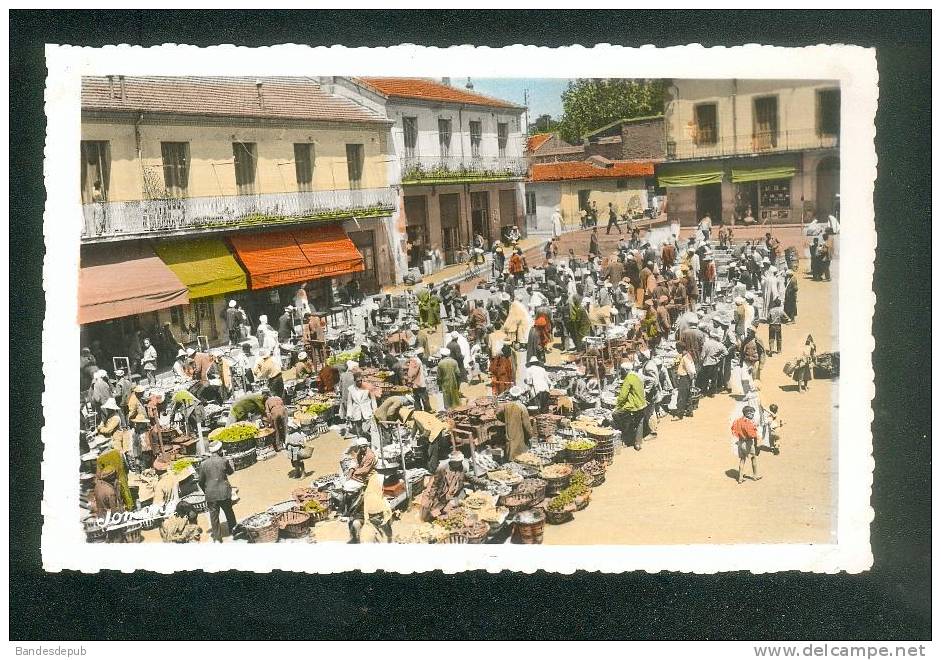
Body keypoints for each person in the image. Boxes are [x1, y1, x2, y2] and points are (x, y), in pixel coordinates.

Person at [198, 442, 237, 542]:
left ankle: (217, 538)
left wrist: (206, 491)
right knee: (229, 513)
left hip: (211, 494)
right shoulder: (223, 461)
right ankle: (234, 532)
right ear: (220, 450)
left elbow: (200, 481)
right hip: (224, 492)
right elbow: (231, 472)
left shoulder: (203, 464)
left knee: (214, 517)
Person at [419, 451, 467, 522]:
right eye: (457, 462)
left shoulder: (463, 469)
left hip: (454, 496)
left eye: (460, 461)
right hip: (441, 496)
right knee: (431, 514)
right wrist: (431, 500)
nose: (460, 463)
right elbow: (434, 486)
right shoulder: (442, 469)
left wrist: (484, 483)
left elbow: (471, 479)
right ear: (452, 462)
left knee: (448, 511)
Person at [496, 386, 534, 459]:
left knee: (510, 450)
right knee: (520, 455)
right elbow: (526, 425)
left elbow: (498, 415)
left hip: (509, 433)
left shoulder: (505, 406)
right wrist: (530, 435)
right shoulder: (522, 407)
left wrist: (506, 420)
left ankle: (509, 460)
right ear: (519, 396)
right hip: (520, 435)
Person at [732, 406, 762, 484]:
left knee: (742, 459)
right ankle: (755, 475)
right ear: (746, 413)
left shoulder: (738, 421)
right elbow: (752, 435)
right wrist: (756, 443)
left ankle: (740, 477)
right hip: (748, 443)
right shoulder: (749, 422)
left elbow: (733, 429)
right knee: (753, 458)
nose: (752, 414)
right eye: (751, 412)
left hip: (741, 442)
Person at [346, 374, 377, 439]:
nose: (359, 382)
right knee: (358, 425)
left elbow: (373, 399)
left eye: (361, 380)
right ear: (354, 381)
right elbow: (349, 402)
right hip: (356, 409)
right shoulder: (351, 389)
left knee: (368, 425)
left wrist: (374, 409)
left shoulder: (367, 387)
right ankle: (360, 439)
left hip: (366, 408)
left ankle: (369, 438)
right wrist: (349, 413)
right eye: (357, 381)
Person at [673, 341, 697, 420]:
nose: (677, 350)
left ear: (680, 348)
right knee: (688, 395)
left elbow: (690, 370)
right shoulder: (687, 355)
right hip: (687, 378)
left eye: (677, 349)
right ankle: (689, 411)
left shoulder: (685, 357)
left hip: (685, 378)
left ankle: (679, 414)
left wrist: (690, 378)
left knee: (681, 396)